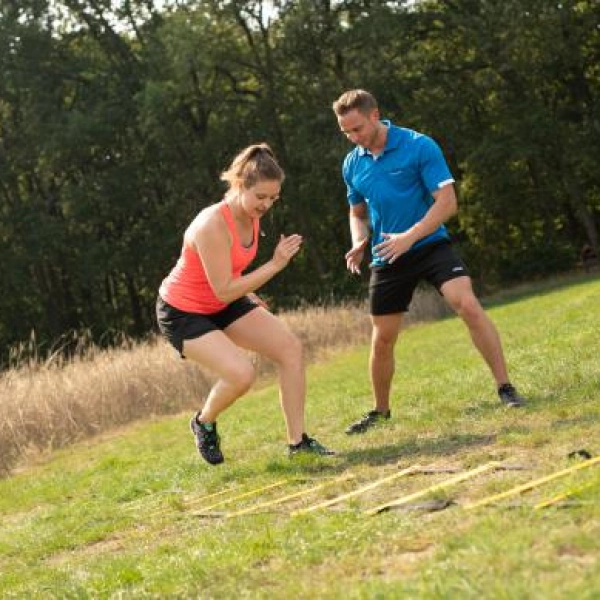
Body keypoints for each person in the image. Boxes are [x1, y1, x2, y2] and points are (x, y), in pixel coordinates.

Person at [331, 89, 526, 435]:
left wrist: (411, 235)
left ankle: (505, 387)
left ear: (375, 115)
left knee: (466, 304)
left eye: (357, 128)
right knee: (383, 337)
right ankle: (380, 411)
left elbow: (447, 202)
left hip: (430, 243)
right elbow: (356, 212)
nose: (353, 137)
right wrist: (359, 239)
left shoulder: (419, 145)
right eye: (346, 132)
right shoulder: (352, 162)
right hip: (388, 253)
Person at [156, 143, 334, 464]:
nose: (266, 205)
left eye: (273, 198)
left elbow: (230, 271)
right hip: (184, 311)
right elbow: (223, 289)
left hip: (224, 300)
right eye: (260, 197)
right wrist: (276, 264)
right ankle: (203, 422)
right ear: (239, 185)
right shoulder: (211, 224)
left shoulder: (250, 213)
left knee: (290, 348)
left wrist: (251, 296)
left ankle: (298, 444)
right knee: (241, 374)